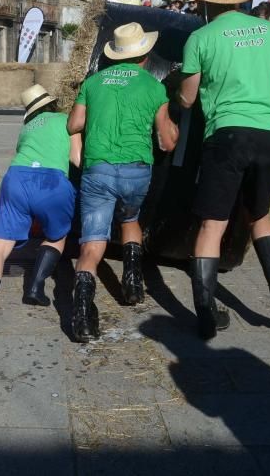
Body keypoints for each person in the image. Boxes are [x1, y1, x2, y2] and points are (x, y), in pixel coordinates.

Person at [178, 0, 270, 339]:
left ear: (203, 3)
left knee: (212, 224)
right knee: (259, 214)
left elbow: (187, 98)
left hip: (229, 134)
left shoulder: (201, 37)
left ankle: (205, 314)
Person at [67, 23, 179, 342]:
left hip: (98, 169)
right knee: (130, 218)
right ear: (143, 55)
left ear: (115, 55)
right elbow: (167, 141)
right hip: (136, 171)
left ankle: (83, 316)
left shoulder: (93, 82)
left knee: (91, 245)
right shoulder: (155, 87)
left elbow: (74, 124)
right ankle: (132, 282)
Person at [0, 85, 81, 330]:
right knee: (57, 235)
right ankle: (35, 287)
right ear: (52, 104)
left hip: (16, 180)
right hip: (52, 183)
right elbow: (77, 159)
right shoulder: (67, 120)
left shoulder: (26, 129)